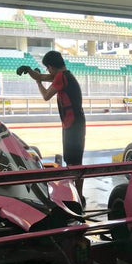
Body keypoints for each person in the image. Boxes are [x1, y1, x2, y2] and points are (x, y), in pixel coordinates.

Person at [17, 52, 86, 200]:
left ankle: (78, 198)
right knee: (73, 162)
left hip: (73, 125)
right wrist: (31, 72)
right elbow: (41, 77)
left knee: (75, 165)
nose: (47, 72)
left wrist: (37, 81)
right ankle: (78, 196)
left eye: (47, 68)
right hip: (74, 124)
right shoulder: (64, 75)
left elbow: (46, 95)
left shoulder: (61, 77)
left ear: (51, 67)